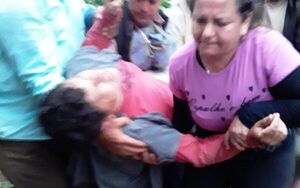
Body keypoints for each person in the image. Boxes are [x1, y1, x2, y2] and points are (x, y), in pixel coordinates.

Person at [168, 0, 300, 187]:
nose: (207, 33)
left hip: (265, 152)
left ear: (245, 21)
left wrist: (249, 115)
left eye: (221, 23)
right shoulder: (181, 65)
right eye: (200, 21)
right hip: (212, 150)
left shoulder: (268, 49)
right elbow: (181, 124)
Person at [0, 0, 96, 187]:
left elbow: (78, 12)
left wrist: (96, 15)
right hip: (26, 137)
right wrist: (103, 129)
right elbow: (42, 78)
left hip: (62, 125)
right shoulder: (15, 6)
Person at [113, 0, 175, 71]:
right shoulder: (112, 24)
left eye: (152, 2)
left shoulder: (163, 23)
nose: (144, 8)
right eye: (139, 0)